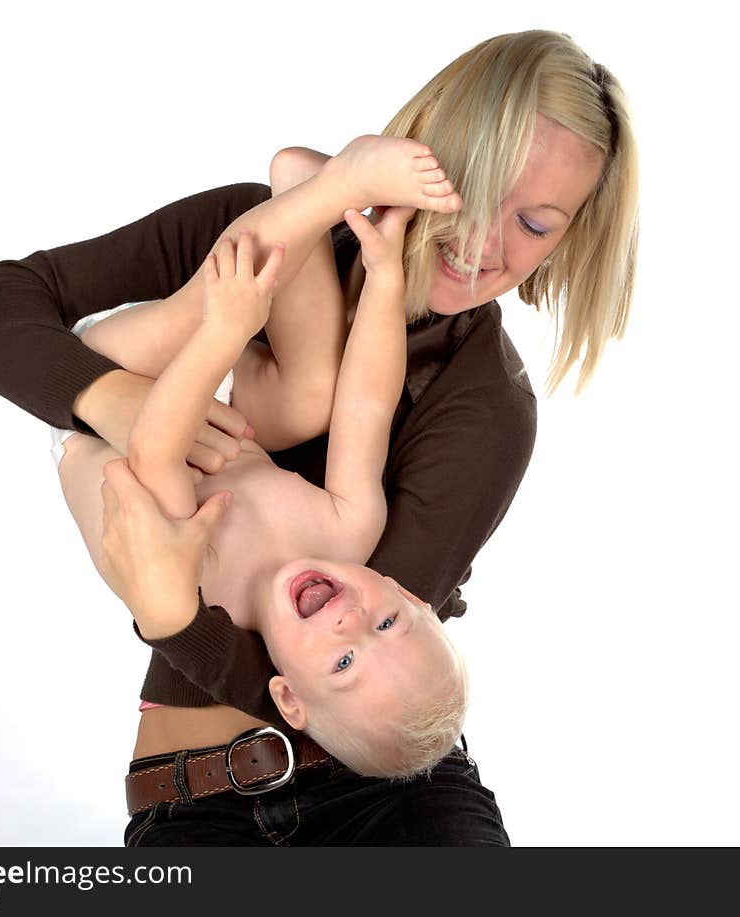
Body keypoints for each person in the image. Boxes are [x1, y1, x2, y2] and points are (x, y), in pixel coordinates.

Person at [0, 29, 638, 845]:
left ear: (571, 238)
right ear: (431, 142)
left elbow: (318, 668)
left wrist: (171, 615)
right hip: (195, 798)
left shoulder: (488, 408)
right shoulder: (253, 239)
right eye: (476, 183)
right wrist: (114, 400)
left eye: (537, 223)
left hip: (391, 798)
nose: (484, 241)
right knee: (291, 381)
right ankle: (261, 249)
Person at [57, 186, 468, 778]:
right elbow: (366, 407)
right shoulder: (350, 529)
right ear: (408, 596)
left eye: (345, 661)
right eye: (387, 623)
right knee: (315, 399)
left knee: (205, 308)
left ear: (288, 698)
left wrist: (223, 332)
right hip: (213, 403)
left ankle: (326, 192)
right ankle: (319, 192)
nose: (349, 621)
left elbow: (153, 451)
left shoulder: (203, 585)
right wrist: (383, 280)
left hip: (103, 408)